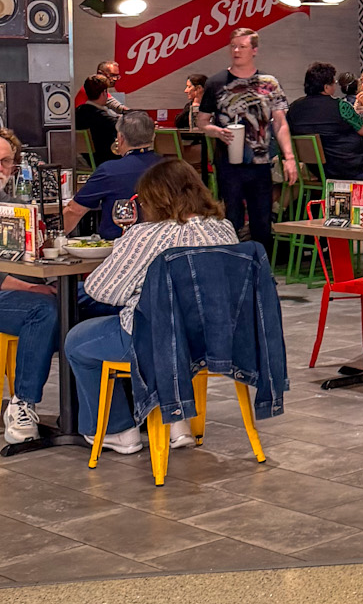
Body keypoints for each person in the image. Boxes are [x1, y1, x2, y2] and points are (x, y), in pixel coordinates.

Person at [66, 157, 238, 457]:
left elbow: (101, 290)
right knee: (160, 326)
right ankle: (174, 417)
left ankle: (118, 429)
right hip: (215, 339)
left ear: (155, 199)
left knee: (79, 340)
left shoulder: (148, 235)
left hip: (160, 339)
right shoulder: (224, 229)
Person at [196, 27, 298, 262]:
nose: (236, 51)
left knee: (262, 220)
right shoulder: (216, 82)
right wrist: (216, 131)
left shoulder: (268, 83)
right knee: (230, 218)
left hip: (260, 163)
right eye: (233, 46)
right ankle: (231, 267)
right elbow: (202, 122)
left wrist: (289, 157)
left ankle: (261, 269)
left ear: (254, 50)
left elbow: (280, 123)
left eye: (242, 46)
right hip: (228, 163)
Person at [0, 127, 61, 446]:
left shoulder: (16, 200)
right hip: (13, 295)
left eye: (6, 162)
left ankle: (90, 409)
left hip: (22, 290)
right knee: (45, 310)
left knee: (78, 305)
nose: (1, 169)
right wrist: (38, 289)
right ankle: (22, 403)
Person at [63, 108, 158, 242]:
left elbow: (75, 210)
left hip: (118, 247)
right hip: (163, 245)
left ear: (120, 138)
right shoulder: (172, 168)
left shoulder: (109, 171)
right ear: (153, 136)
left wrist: (55, 240)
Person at [284, 62, 363, 181]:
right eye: (333, 83)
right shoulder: (341, 106)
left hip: (318, 171)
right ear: (326, 87)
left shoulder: (294, 108)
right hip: (352, 167)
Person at [75, 76, 120, 163]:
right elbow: (123, 126)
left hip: (86, 160)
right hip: (105, 160)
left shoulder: (78, 113)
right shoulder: (102, 117)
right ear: (104, 92)